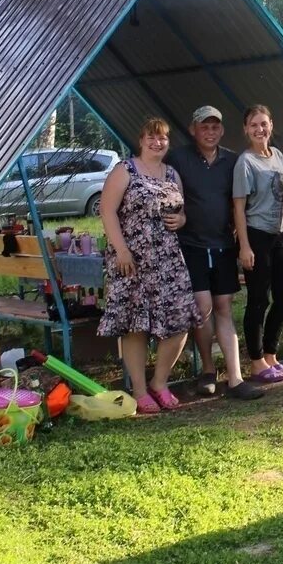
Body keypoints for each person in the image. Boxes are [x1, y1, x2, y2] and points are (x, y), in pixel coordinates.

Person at [98, 118, 195, 414]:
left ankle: (159, 383)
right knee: (135, 326)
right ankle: (139, 391)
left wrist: (182, 220)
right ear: (141, 140)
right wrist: (122, 250)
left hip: (168, 260)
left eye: (163, 138)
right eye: (152, 137)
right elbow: (107, 210)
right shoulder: (125, 170)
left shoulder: (171, 173)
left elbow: (180, 212)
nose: (158, 142)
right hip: (133, 261)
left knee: (180, 320)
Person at [167, 105, 263, 400]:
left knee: (223, 306)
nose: (210, 132)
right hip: (191, 245)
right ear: (193, 129)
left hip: (222, 244)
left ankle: (234, 378)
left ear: (222, 130)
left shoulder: (232, 160)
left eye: (215, 127)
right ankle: (208, 370)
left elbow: (241, 201)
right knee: (202, 307)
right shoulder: (178, 158)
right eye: (204, 127)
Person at [233, 105, 283, 385]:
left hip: (277, 236)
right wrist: (244, 246)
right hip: (255, 234)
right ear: (246, 130)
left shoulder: (277, 156)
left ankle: (271, 355)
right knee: (259, 299)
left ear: (272, 125)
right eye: (254, 125)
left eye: (264, 124)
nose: (260, 129)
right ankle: (257, 363)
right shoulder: (245, 163)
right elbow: (238, 207)